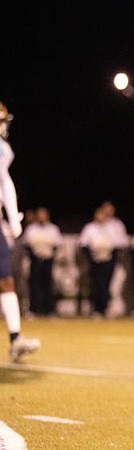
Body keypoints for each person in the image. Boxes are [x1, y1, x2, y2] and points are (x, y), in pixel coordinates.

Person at [0, 101, 40, 362]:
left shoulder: (3, 149)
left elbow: (4, 181)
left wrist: (13, 219)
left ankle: (15, 340)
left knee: (6, 279)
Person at [23, 206, 63, 316]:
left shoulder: (53, 229)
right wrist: (35, 256)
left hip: (48, 260)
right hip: (35, 260)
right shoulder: (31, 229)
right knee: (34, 285)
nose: (41, 217)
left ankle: (49, 310)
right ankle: (34, 309)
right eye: (39, 214)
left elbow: (57, 245)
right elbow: (27, 245)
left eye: (43, 214)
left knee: (48, 285)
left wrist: (49, 255)